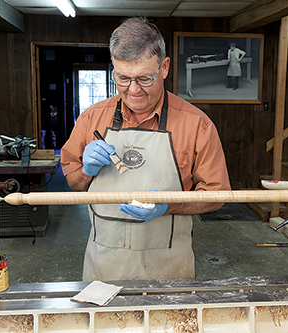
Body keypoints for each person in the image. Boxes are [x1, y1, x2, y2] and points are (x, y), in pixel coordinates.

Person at [61, 17, 231, 282]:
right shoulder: (91, 119)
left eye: (144, 78)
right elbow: (74, 182)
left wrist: (168, 206)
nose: (133, 90)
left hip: (169, 266)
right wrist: (85, 170)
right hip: (105, 265)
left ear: (164, 68)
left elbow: (218, 195)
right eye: (122, 78)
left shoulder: (196, 125)